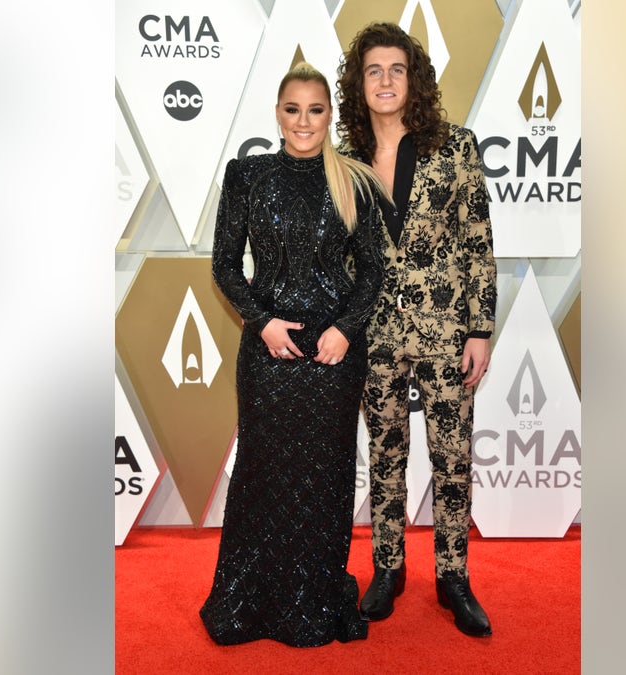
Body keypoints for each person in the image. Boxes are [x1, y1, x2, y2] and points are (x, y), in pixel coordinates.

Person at [199, 62, 389, 647]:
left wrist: (346, 330)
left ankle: (312, 596)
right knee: (264, 474)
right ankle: (254, 602)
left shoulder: (353, 180)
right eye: (292, 109)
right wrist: (261, 323)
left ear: (329, 114)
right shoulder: (248, 176)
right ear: (277, 114)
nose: (303, 121)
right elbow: (225, 265)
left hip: (332, 358)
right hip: (269, 353)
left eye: (315, 109)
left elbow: (375, 270)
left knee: (325, 478)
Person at [335, 22, 498, 637]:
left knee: (453, 456)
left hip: (447, 331)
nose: (384, 80)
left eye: (396, 69)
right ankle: (388, 567)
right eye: (373, 70)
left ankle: (453, 577)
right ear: (360, 82)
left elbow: (479, 244)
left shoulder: (456, 146)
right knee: (385, 454)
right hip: (372, 334)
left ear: (414, 80)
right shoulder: (342, 161)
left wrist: (480, 329)